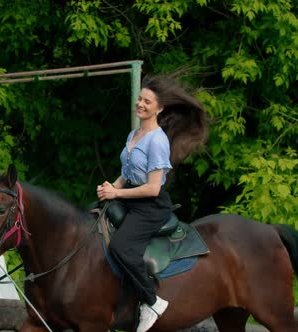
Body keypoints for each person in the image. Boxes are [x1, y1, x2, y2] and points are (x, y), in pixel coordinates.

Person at [96, 74, 208, 332]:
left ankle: (152, 301)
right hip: (131, 197)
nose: (140, 104)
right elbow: (128, 172)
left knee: (121, 247)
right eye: (139, 99)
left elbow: (153, 187)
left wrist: (117, 195)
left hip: (150, 205)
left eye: (147, 101)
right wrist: (112, 187)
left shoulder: (157, 140)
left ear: (159, 108)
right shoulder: (134, 133)